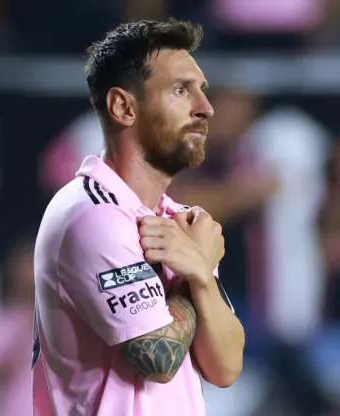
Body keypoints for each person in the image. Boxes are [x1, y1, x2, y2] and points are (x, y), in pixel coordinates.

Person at [32, 19, 245, 416]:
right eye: (181, 90)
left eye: (203, 90)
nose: (205, 108)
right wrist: (195, 269)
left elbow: (226, 366)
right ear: (123, 107)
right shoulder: (90, 215)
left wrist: (198, 272)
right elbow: (158, 359)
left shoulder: (178, 222)